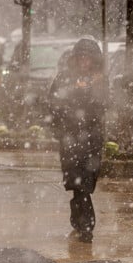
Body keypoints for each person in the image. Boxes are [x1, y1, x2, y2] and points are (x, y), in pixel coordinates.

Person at [49, 37, 108, 243]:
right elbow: (54, 104)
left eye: (88, 58)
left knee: (85, 183)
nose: (84, 62)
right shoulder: (64, 78)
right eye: (81, 57)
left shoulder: (100, 80)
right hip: (70, 139)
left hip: (91, 141)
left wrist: (87, 95)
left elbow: (101, 107)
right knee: (76, 184)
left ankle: (85, 224)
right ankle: (82, 222)